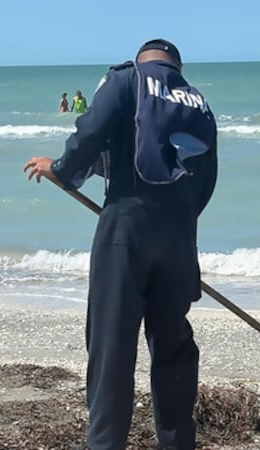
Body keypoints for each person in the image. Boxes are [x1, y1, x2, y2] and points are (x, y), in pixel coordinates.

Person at [23, 38, 218, 450]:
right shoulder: (197, 102)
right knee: (174, 348)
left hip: (125, 231)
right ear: (176, 67)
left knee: (112, 348)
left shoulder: (125, 80)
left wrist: (61, 169)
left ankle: (105, 444)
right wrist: (178, 223)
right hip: (180, 236)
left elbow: (90, 132)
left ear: (142, 58)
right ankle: (178, 442)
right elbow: (203, 179)